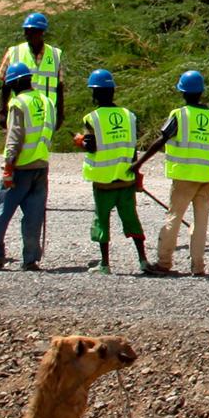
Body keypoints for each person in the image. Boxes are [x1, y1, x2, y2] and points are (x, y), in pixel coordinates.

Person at [137, 68, 209, 278]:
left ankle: (164, 262)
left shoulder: (179, 115)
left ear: (183, 92)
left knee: (174, 217)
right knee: (201, 223)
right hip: (207, 177)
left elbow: (161, 140)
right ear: (201, 92)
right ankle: (198, 266)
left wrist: (138, 163)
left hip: (184, 177)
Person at [72, 67, 151, 275]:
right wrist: (137, 175)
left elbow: (91, 145)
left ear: (95, 93)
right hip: (125, 178)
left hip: (103, 181)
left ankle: (105, 264)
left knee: (102, 220)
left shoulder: (92, 118)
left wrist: (80, 141)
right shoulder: (128, 116)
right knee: (131, 218)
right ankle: (143, 260)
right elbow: (132, 148)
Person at [0, 58, 52, 271]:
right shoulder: (46, 101)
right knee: (33, 215)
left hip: (20, 166)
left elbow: (15, 136)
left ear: (16, 83)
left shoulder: (18, 104)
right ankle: (30, 259)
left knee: (1, 210)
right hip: (41, 164)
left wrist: (8, 165)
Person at [8, 11, 67, 136]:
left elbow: (59, 87)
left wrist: (60, 114)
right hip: (21, 111)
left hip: (45, 114)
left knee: (41, 148)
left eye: (31, 31)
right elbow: (5, 85)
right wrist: (2, 112)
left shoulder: (55, 55)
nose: (27, 34)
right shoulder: (14, 52)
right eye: (26, 30)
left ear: (41, 32)